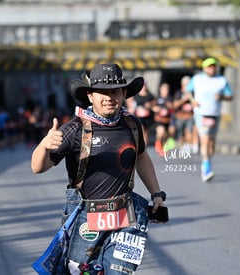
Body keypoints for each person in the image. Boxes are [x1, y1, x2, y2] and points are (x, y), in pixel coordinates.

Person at [31, 64, 166, 274]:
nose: (110, 97)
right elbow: (38, 168)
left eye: (115, 91)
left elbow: (141, 158)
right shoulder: (75, 128)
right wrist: (44, 145)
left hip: (126, 217)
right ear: (90, 95)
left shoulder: (132, 124)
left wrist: (156, 194)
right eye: (102, 91)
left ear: (123, 94)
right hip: (87, 217)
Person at [186, 57, 233, 182]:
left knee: (212, 144)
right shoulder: (197, 79)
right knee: (205, 140)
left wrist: (222, 96)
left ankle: (207, 163)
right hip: (201, 113)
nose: (211, 68)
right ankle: (206, 167)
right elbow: (187, 91)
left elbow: (230, 96)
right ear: (204, 68)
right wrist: (192, 101)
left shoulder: (222, 80)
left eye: (213, 66)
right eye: (209, 66)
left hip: (215, 114)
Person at [173, 76, 197, 154]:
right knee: (180, 133)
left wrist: (190, 98)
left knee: (189, 131)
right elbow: (175, 105)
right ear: (182, 84)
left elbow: (197, 104)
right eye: (186, 84)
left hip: (190, 116)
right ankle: (182, 146)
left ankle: (188, 145)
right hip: (180, 116)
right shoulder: (178, 93)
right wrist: (184, 99)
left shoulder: (194, 93)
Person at [152, 82, 176, 156]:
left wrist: (171, 106)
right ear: (160, 90)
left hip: (168, 120)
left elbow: (174, 108)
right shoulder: (157, 98)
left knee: (167, 134)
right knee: (161, 132)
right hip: (160, 120)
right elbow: (152, 106)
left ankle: (164, 148)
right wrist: (156, 109)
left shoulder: (170, 98)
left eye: (166, 89)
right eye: (164, 89)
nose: (165, 91)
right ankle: (158, 143)